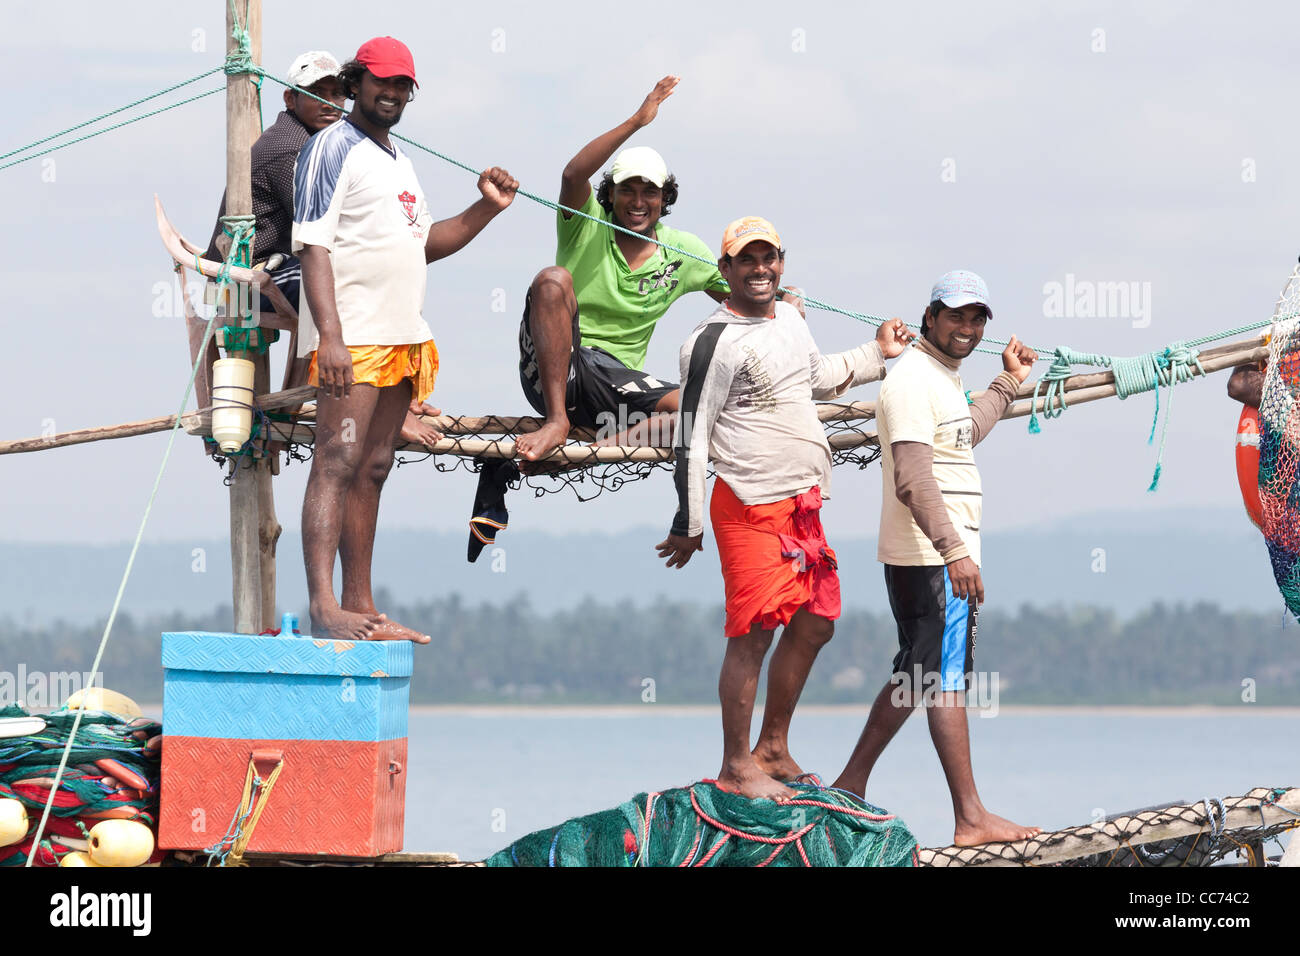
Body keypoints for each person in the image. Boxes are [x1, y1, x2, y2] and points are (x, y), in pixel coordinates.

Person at [656, 217, 912, 801]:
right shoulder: (709, 340)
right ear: (725, 271)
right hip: (747, 500)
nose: (760, 269)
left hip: (804, 502)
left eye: (769, 257)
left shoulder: (792, 318)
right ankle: (735, 765)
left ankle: (774, 744)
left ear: (781, 262)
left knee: (817, 622)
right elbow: (692, 436)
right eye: (746, 260)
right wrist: (688, 523)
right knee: (752, 635)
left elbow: (816, 377)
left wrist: (879, 351)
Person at [293, 36, 518, 642]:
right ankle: (323, 608)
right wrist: (331, 336)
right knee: (336, 462)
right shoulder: (329, 147)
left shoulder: (399, 161)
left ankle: (358, 603)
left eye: (402, 86)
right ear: (356, 81)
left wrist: (486, 209)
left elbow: (423, 245)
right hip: (355, 337)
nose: (390, 93)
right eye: (380, 82)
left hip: (403, 338)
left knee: (374, 466)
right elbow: (313, 246)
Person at [831, 270, 1042, 846]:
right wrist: (955, 554)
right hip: (932, 556)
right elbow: (913, 478)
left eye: (977, 319)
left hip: (937, 555)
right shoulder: (910, 381)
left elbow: (962, 436)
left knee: (923, 674)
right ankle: (969, 818)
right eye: (956, 316)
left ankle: (851, 786)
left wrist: (1009, 381)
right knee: (939, 679)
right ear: (929, 317)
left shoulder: (943, 379)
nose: (968, 328)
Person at [513, 75, 731, 462]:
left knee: (696, 407)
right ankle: (557, 422)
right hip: (553, 377)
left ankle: (591, 454)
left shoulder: (682, 249)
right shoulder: (585, 222)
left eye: (650, 191)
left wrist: (784, 300)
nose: (637, 201)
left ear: (665, 198)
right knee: (552, 279)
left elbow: (742, 296)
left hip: (615, 393)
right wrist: (637, 120)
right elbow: (572, 175)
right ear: (610, 193)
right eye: (627, 189)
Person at [204, 50, 346, 313]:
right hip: (242, 284)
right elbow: (321, 226)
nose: (329, 103)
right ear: (290, 99)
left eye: (337, 94)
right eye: (317, 93)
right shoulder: (292, 148)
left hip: (268, 271)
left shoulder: (305, 141)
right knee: (346, 279)